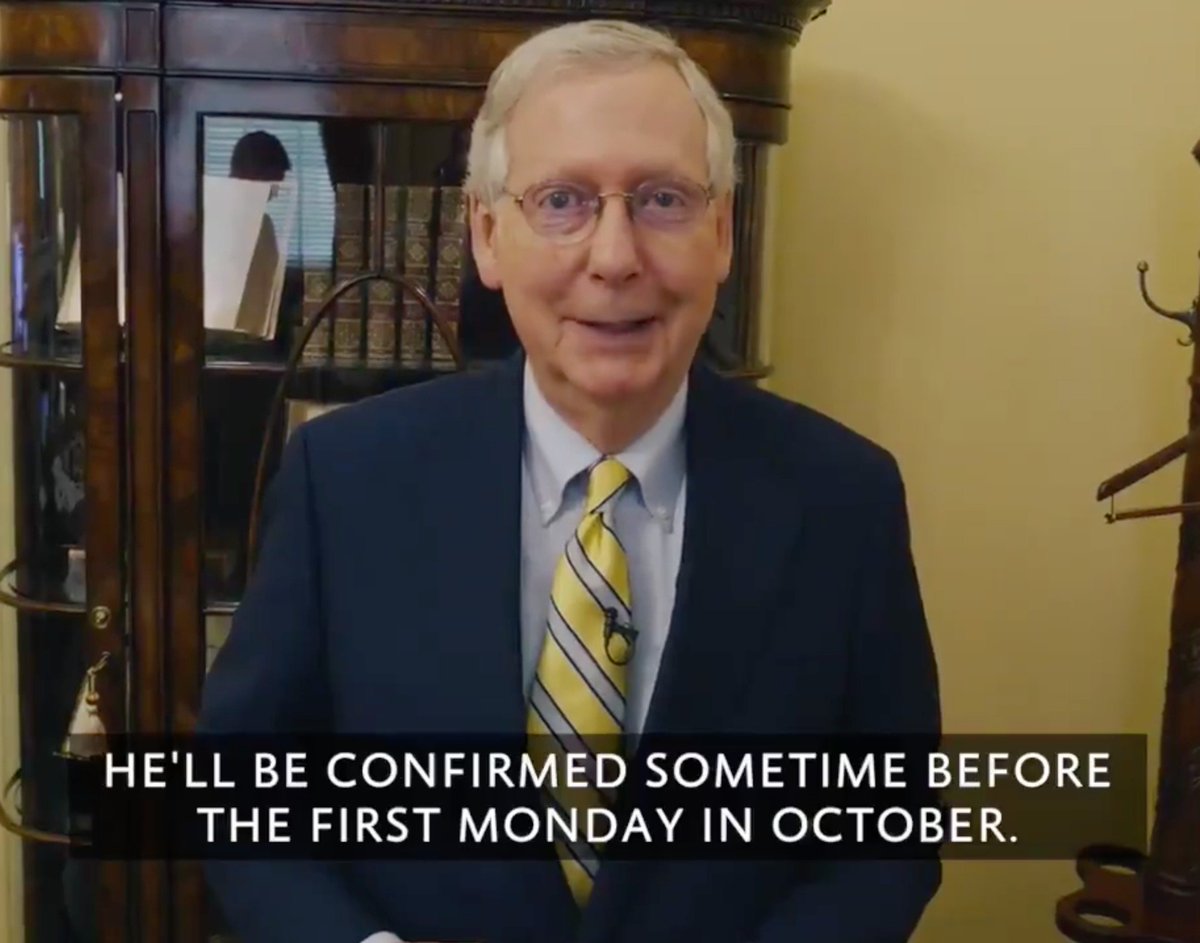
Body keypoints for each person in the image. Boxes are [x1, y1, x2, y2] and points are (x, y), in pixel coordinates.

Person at [199, 18, 942, 943]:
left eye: (663, 199)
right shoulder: (345, 479)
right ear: (486, 235)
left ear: (722, 232)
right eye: (561, 201)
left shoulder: (844, 499)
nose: (615, 256)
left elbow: (890, 836)